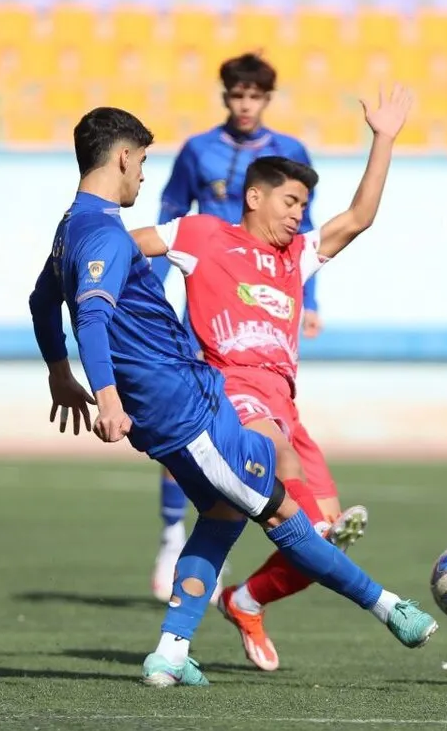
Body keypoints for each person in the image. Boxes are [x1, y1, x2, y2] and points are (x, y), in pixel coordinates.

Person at [27, 106, 438, 687]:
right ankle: (389, 607)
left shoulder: (73, 229)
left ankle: (171, 651)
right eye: (141, 162)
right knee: (284, 513)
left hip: (201, 397)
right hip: (191, 404)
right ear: (122, 158)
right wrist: (108, 396)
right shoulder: (130, 235)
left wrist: (58, 373)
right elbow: (93, 314)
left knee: (223, 515)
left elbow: (43, 299)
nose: (144, 175)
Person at [127, 85, 411, 672]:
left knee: (312, 531)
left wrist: (383, 138)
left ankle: (238, 606)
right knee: (285, 487)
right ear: (254, 196)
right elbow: (122, 248)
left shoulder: (296, 256)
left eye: (304, 204)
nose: (298, 213)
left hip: (285, 405)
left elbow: (359, 218)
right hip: (229, 393)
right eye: (290, 200)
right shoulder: (201, 234)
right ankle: (384, 605)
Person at [148, 53, 324, 602]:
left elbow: (306, 230)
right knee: (187, 418)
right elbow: (171, 213)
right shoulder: (197, 149)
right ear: (225, 96)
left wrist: (311, 299)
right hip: (206, 301)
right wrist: (154, 288)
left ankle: (225, 541)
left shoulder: (289, 154)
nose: (245, 105)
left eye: (255, 96)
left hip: (261, 308)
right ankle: (172, 534)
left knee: (258, 425)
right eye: (237, 95)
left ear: (267, 99)